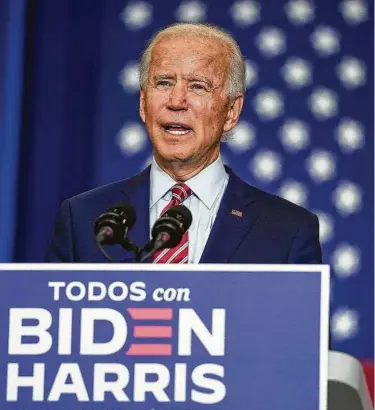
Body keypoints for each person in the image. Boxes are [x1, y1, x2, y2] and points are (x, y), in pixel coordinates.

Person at [45, 22, 322, 264]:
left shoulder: (288, 230)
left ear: (231, 111)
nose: (176, 101)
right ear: (143, 104)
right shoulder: (84, 218)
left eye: (198, 86)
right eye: (164, 83)